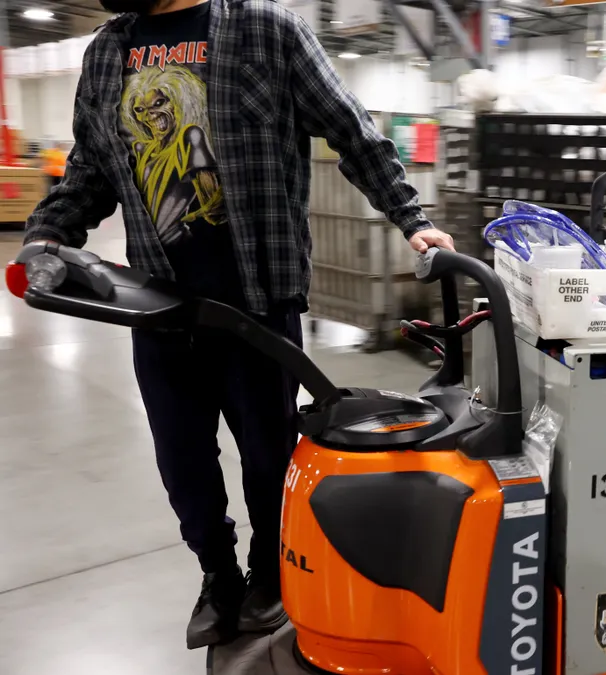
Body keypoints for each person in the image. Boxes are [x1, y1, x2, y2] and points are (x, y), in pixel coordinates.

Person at [23, 0, 455, 650]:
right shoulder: (107, 53)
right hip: (160, 306)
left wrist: (413, 219)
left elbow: (352, 131)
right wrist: (48, 234)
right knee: (183, 463)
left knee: (268, 460)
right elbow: (90, 171)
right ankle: (218, 575)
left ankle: (270, 574)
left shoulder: (268, 31)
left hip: (259, 302)